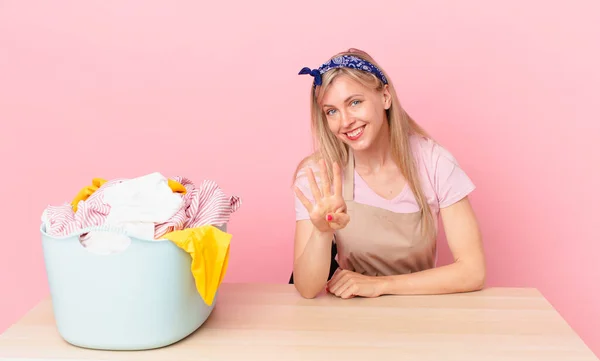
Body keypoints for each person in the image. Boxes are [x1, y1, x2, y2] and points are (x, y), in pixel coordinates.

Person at [291, 48, 485, 299]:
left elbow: (472, 271)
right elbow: (307, 289)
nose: (345, 121)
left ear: (384, 97)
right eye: (331, 111)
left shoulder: (434, 162)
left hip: (420, 308)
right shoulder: (319, 175)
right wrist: (322, 231)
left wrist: (381, 285)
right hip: (349, 314)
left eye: (355, 102)